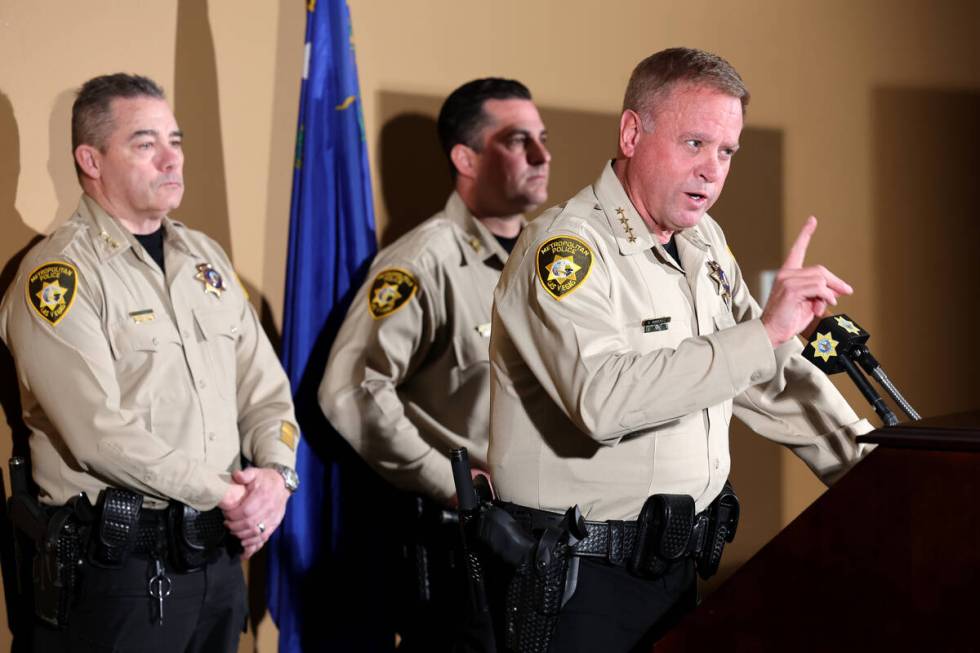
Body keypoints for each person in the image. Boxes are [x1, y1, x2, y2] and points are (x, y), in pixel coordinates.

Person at [487, 48, 873, 652]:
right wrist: (765, 331)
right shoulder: (566, 249)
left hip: (673, 571)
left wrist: (877, 471)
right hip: (576, 580)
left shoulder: (703, 241)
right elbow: (602, 401)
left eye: (726, 152)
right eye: (694, 143)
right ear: (633, 133)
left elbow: (762, 375)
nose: (712, 170)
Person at [0, 73, 300, 652]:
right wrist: (232, 494)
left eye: (176, 140)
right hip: (121, 574)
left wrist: (277, 477)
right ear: (91, 159)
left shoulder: (203, 257)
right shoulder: (59, 277)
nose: (171, 159)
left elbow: (265, 388)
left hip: (216, 562)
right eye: (145, 144)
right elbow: (97, 434)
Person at [319, 77, 550, 650]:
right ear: (465, 158)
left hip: (548, 542)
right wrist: (446, 484)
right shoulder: (424, 263)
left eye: (543, 139)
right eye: (519, 141)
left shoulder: (552, 258)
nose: (543, 156)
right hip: (464, 556)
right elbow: (350, 388)